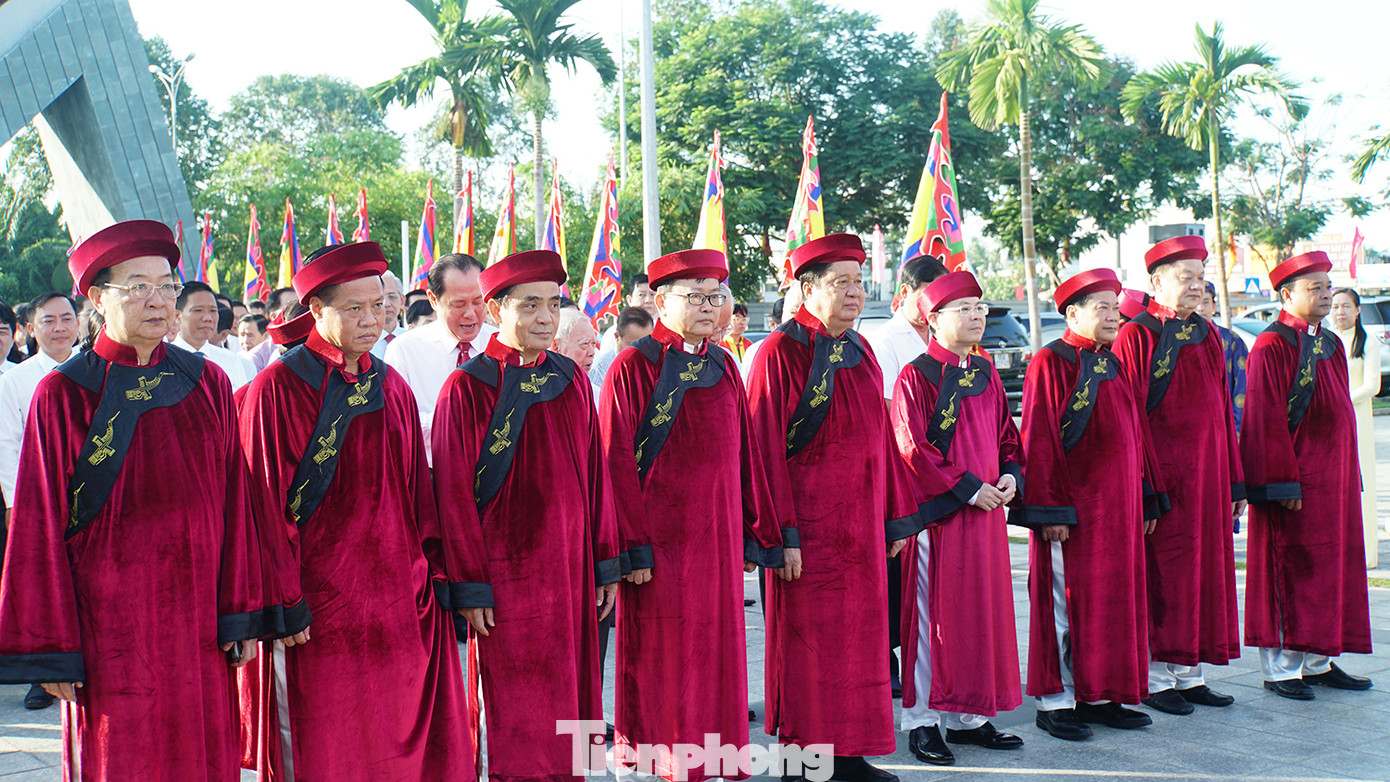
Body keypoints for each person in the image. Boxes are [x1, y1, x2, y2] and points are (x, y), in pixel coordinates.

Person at [0, 219, 303, 780]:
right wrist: (53, 647)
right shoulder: (63, 393)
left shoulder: (206, 381)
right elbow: (39, 523)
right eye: (137, 287)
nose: (158, 300)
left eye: (166, 285)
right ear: (96, 298)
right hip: (108, 631)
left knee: (204, 755)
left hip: (198, 625)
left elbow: (238, 502)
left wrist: (240, 614)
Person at [238, 241, 473, 780]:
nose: (372, 320)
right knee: (324, 743)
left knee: (394, 740)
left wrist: (432, 574)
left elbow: (418, 496)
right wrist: (284, 599)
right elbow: (263, 506)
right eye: (355, 308)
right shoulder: (277, 388)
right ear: (316, 310)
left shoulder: (389, 385)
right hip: (316, 608)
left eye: (379, 306)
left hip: (396, 598)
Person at [432, 249, 620, 782]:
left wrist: (605, 560)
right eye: (529, 305)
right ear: (495, 311)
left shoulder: (570, 377)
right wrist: (469, 585)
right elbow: (452, 496)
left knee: (573, 693)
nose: (544, 317)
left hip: (570, 570)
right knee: (512, 708)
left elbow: (594, 474)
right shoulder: (467, 387)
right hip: (503, 581)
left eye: (553, 305)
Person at [599, 248, 783, 781]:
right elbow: (614, 462)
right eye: (695, 296)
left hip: (718, 544)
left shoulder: (724, 363)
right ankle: (656, 766)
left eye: (716, 296)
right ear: (659, 301)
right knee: (661, 659)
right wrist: (630, 547)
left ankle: (716, 763)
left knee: (718, 656)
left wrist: (753, 533)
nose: (710, 306)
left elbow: (745, 453)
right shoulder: (634, 365)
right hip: (658, 550)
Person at [746, 234, 919, 782]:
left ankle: (849, 752)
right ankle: (806, 760)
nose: (854, 291)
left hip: (861, 529)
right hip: (809, 534)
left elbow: (881, 440)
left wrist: (893, 515)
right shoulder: (779, 352)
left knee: (861, 645)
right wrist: (781, 534)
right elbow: (763, 449)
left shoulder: (862, 349)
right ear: (805, 289)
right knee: (810, 650)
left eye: (859, 281)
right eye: (840, 281)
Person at [1014, 269, 1161, 742]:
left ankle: (1099, 695)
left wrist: (1145, 496)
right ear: (1072, 313)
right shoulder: (1050, 361)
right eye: (1102, 307)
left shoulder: (1113, 362)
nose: (1113, 315)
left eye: (1115, 307)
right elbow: (1039, 441)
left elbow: (1135, 437)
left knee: (1111, 604)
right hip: (1074, 515)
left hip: (1117, 513)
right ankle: (1055, 702)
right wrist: (1051, 512)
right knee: (1065, 606)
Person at [891, 270, 1025, 767]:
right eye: (964, 309)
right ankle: (922, 722)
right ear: (934, 318)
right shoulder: (915, 376)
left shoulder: (985, 371)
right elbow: (911, 448)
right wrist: (969, 490)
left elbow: (1006, 435)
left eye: (979, 307)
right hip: (942, 519)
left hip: (987, 514)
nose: (977, 316)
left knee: (979, 616)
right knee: (933, 620)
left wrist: (1011, 475)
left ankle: (968, 717)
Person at [1112, 236, 1243, 716]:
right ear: (1156, 282)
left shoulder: (1208, 334)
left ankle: (1191, 674)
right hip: (1165, 482)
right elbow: (1131, 418)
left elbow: (1222, 412)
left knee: (1204, 573)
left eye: (1199, 276)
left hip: (1208, 480)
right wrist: (1145, 486)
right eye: (1184, 276)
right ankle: (1156, 679)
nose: (1194, 284)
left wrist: (1235, 481)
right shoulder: (1137, 335)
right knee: (1164, 575)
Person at [1242, 253, 1374, 700]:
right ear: (1286, 294)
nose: (1326, 294)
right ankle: (1282, 670)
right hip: (1295, 483)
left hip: (1332, 482)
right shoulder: (1271, 345)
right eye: (1315, 287)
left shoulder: (1331, 344)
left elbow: (1341, 413)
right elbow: (1263, 420)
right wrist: (1281, 481)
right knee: (1289, 569)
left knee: (1328, 571)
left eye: (1327, 285)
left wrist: (1349, 472)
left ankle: (1319, 661)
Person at [864, 254, 949, 697]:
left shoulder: (943, 336)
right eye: (927, 296)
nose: (934, 305)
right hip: (901, 469)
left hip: (940, 471)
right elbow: (889, 411)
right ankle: (887, 660)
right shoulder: (885, 339)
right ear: (905, 295)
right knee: (893, 574)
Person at [0, 292, 79, 711]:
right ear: (30, 330)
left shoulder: (97, 370)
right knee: (43, 583)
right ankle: (42, 674)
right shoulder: (17, 379)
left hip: (91, 498)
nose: (60, 328)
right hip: (40, 501)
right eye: (48, 321)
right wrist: (16, 503)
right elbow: (8, 445)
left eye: (67, 318)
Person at [385, 254, 497, 465]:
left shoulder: (500, 343)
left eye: (478, 302)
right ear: (434, 300)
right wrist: (453, 418)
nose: (470, 314)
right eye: (459, 304)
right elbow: (396, 426)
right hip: (431, 479)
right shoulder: (404, 351)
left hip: (494, 479)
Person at [1329, 288, 1383, 568]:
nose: (1339, 311)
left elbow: (1372, 386)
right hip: (1328, 423)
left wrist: (1338, 400)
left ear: (1358, 310)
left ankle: (1366, 554)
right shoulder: (1325, 340)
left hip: (1356, 419)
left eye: (1346, 306)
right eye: (1335, 306)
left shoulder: (1367, 342)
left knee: (1363, 485)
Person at [170, 281, 254, 389]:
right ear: (177, 316)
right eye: (198, 310)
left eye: (213, 311)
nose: (208, 318)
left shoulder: (231, 361)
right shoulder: (164, 361)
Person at [1197, 282, 1248, 433]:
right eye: (1196, 303)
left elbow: (1242, 389)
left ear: (1213, 307)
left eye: (1205, 302)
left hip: (1225, 429)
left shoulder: (1232, 341)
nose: (1200, 308)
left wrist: (1235, 431)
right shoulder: (1180, 340)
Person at [589, 307, 654, 389]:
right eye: (634, 345)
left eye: (646, 343)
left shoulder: (657, 361)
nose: (641, 351)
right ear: (617, 337)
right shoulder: (600, 370)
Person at [598, 273, 657, 352]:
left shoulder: (663, 331)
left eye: (652, 295)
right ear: (629, 300)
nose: (648, 300)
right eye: (642, 295)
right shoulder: (613, 334)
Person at [249, 287, 300, 372]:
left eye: (301, 305)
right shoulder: (258, 356)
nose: (299, 311)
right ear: (274, 316)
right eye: (292, 306)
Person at [370, 271, 408, 357]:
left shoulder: (412, 340)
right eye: (380, 299)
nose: (386, 303)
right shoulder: (363, 344)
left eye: (392, 297)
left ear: (402, 301)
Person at [554, 307, 601, 375]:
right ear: (556, 347)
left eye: (593, 344)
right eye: (585, 344)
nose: (592, 352)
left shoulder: (591, 385)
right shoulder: (537, 383)